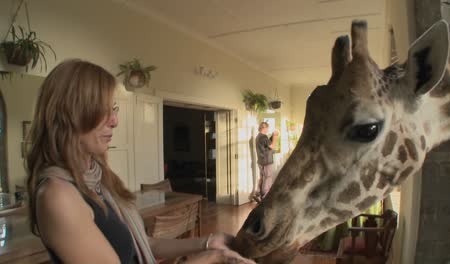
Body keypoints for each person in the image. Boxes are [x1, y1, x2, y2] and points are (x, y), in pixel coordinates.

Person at [26, 59, 255, 264]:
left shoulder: (98, 178)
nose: (114, 121)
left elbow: (147, 244)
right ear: (69, 114)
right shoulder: (58, 196)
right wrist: (213, 259)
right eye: (102, 111)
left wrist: (207, 243)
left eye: (113, 109)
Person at [254, 122, 278, 202]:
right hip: (267, 161)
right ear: (264, 128)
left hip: (260, 161)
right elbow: (272, 146)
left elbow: (267, 144)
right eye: (267, 128)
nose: (268, 129)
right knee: (268, 178)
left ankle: (258, 194)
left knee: (262, 177)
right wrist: (275, 136)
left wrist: (271, 137)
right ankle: (265, 197)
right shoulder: (264, 137)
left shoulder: (258, 137)